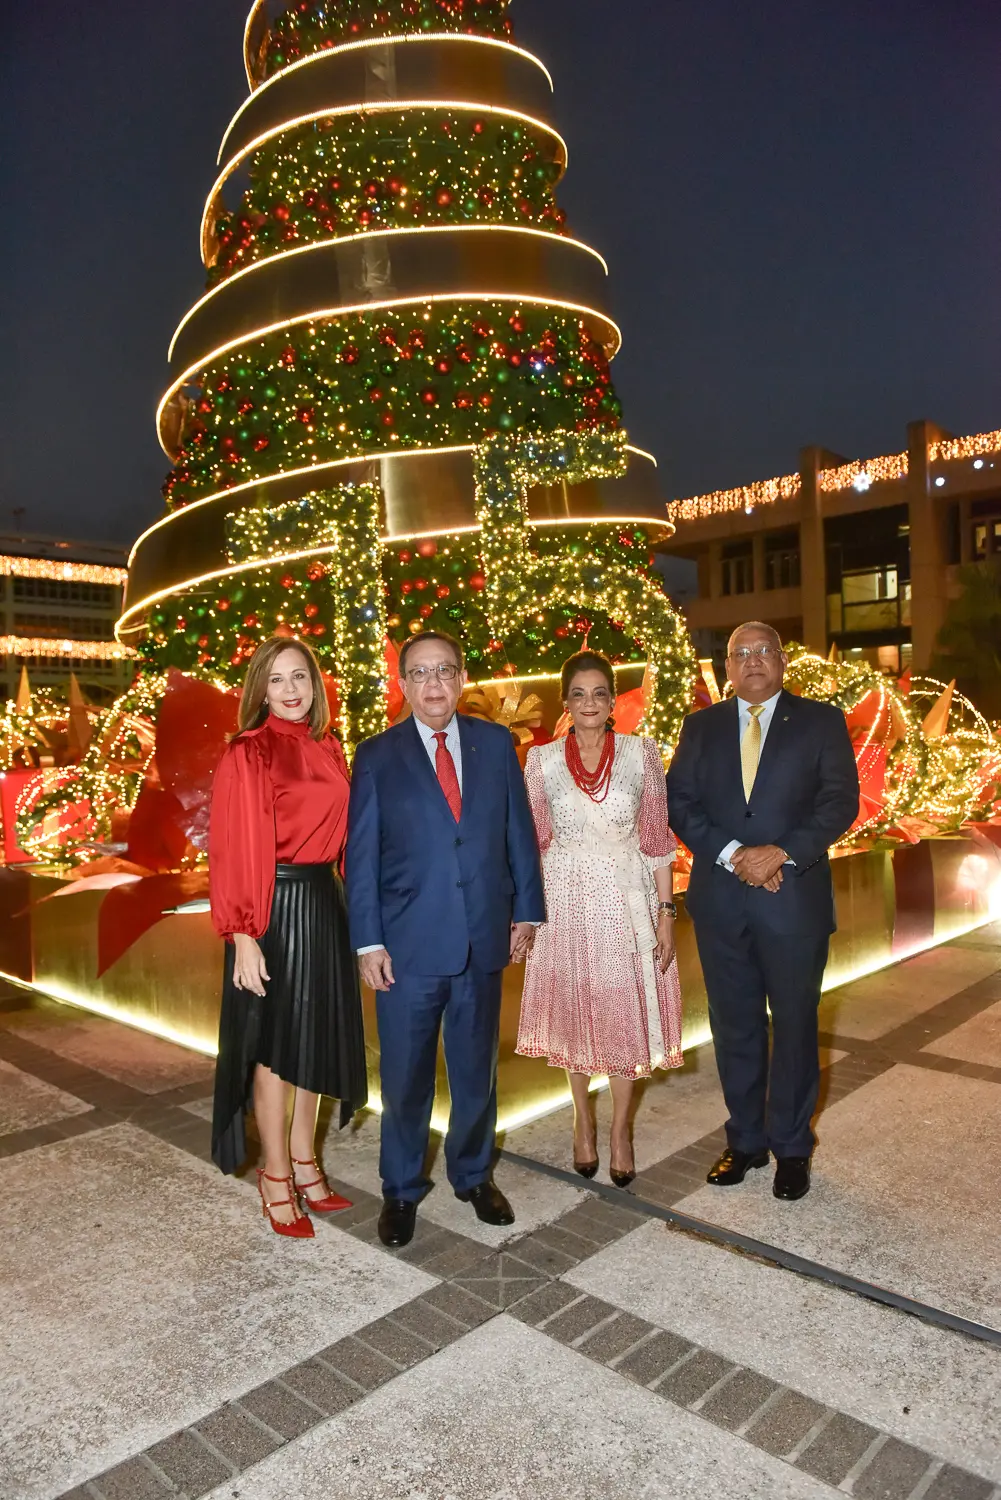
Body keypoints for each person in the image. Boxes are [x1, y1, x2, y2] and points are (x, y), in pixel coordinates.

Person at [345, 630, 545, 1249]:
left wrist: (528, 913)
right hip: (406, 948)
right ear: (403, 684)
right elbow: (362, 857)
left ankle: (473, 1174)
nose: (434, 685)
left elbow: (518, 834)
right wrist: (367, 942)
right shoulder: (377, 755)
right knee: (405, 1077)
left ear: (462, 679)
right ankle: (401, 1188)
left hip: (482, 938)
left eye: (446, 672)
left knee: (475, 1072)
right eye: (421, 674)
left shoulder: (494, 745)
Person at [666, 621, 859, 1201]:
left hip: (793, 902)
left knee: (796, 1027)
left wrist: (780, 853)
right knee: (735, 1027)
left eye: (763, 652)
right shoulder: (701, 727)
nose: (752, 662)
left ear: (781, 660)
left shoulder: (820, 721)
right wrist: (733, 856)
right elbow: (680, 802)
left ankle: (792, 1148)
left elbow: (839, 801)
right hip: (723, 903)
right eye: (739, 654)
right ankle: (746, 1139)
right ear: (726, 668)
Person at [209, 636, 368, 1238]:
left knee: (315, 1040)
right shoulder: (248, 752)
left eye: (299, 676)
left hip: (324, 904)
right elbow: (233, 846)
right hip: (270, 907)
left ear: (315, 683)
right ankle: (275, 1173)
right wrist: (243, 933)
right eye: (277, 680)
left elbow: (349, 836)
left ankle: (305, 1159)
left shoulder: (330, 746)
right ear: (260, 690)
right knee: (276, 1047)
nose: (291, 690)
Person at [516, 650, 683, 1186]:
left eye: (600, 692)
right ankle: (583, 1119)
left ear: (613, 700)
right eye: (578, 693)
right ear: (565, 701)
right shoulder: (539, 761)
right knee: (577, 1013)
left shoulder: (642, 754)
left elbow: (658, 840)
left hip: (625, 898)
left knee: (621, 1016)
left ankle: (619, 1132)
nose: (589, 702)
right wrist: (526, 915)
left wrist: (664, 912)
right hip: (563, 902)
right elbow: (532, 843)